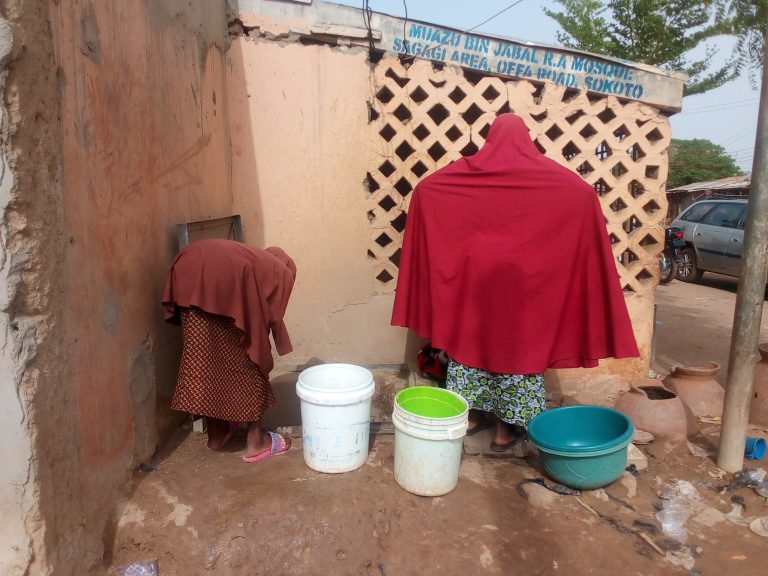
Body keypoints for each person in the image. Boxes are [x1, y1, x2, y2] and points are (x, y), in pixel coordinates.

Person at [391, 113, 639, 451]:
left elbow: (427, 189)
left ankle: (471, 415)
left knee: (470, 345)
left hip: (475, 284)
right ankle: (505, 431)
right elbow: (581, 192)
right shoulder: (550, 178)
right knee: (518, 352)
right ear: (526, 140)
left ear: (490, 140)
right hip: (525, 289)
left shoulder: (468, 176)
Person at [162, 238, 297, 462]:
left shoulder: (252, 259)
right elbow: (264, 325)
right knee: (253, 361)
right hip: (215, 273)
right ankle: (256, 442)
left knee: (204, 360)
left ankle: (217, 435)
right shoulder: (280, 270)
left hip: (188, 268)